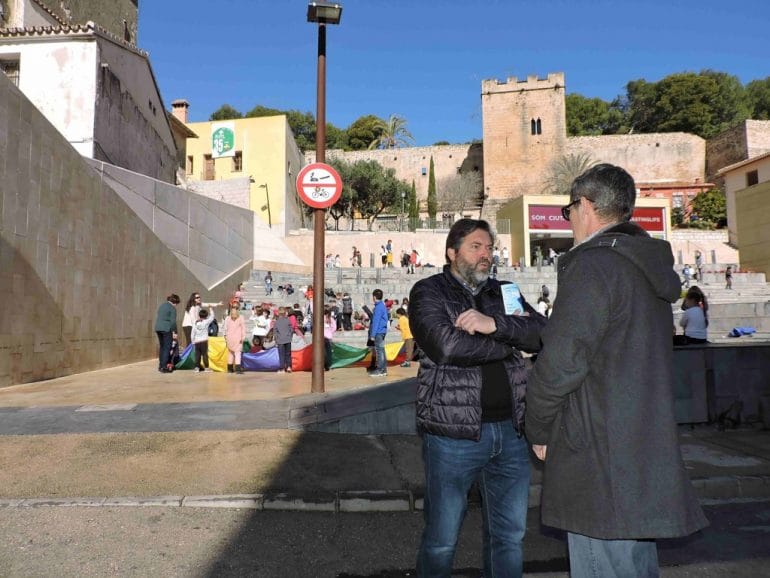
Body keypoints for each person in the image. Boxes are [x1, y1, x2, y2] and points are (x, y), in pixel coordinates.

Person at [525, 164, 708, 577]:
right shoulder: (644, 266)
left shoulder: (594, 267)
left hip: (596, 451)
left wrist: (537, 427)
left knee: (602, 562)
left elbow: (561, 363)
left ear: (586, 206)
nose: (567, 220)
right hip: (639, 446)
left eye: (567, 210)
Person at [409, 218, 545, 577]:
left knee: (509, 537)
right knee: (441, 539)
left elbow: (540, 334)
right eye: (476, 247)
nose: (486, 254)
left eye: (489, 247)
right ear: (452, 253)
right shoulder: (429, 292)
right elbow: (447, 346)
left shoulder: (506, 292)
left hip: (513, 434)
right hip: (452, 437)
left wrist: (495, 325)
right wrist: (506, 345)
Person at [154, 294, 180, 373]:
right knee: (167, 348)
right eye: (177, 303)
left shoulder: (162, 306)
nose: (176, 305)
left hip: (158, 328)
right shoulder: (172, 308)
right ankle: (164, 367)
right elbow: (173, 322)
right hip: (166, 329)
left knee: (162, 347)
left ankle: (161, 365)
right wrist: (175, 332)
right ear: (175, 301)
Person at [368, 289, 389, 377]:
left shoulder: (378, 307)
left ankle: (380, 369)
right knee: (382, 350)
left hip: (378, 331)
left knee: (379, 351)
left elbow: (376, 322)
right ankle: (383, 369)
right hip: (382, 331)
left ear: (374, 297)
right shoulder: (382, 306)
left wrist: (372, 335)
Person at [191, 307, 216, 372]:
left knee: (197, 355)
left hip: (197, 342)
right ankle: (206, 368)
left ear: (199, 315)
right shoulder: (206, 322)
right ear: (206, 316)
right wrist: (211, 308)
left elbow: (192, 333)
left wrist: (193, 341)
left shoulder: (195, 323)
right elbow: (212, 317)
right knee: (205, 354)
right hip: (204, 341)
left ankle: (196, 368)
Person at [224, 306, 246, 374]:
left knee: (230, 353)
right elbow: (243, 328)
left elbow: (225, 328)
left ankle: (230, 369)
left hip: (229, 338)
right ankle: (238, 369)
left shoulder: (227, 318)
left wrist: (225, 336)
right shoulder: (240, 318)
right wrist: (243, 338)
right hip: (238, 338)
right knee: (237, 354)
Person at [274, 307, 293, 373]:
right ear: (285, 313)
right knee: (288, 354)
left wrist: (276, 339)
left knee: (281, 355)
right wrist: (290, 336)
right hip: (288, 339)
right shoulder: (288, 320)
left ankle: (282, 368)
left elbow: (275, 332)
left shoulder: (277, 322)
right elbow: (291, 329)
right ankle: (289, 367)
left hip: (280, 340)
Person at [323, 306, 336, 371]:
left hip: (322, 337)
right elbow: (334, 327)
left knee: (323, 353)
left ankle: (323, 366)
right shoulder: (331, 319)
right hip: (329, 337)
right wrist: (330, 332)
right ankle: (329, 366)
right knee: (329, 353)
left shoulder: (320, 318)